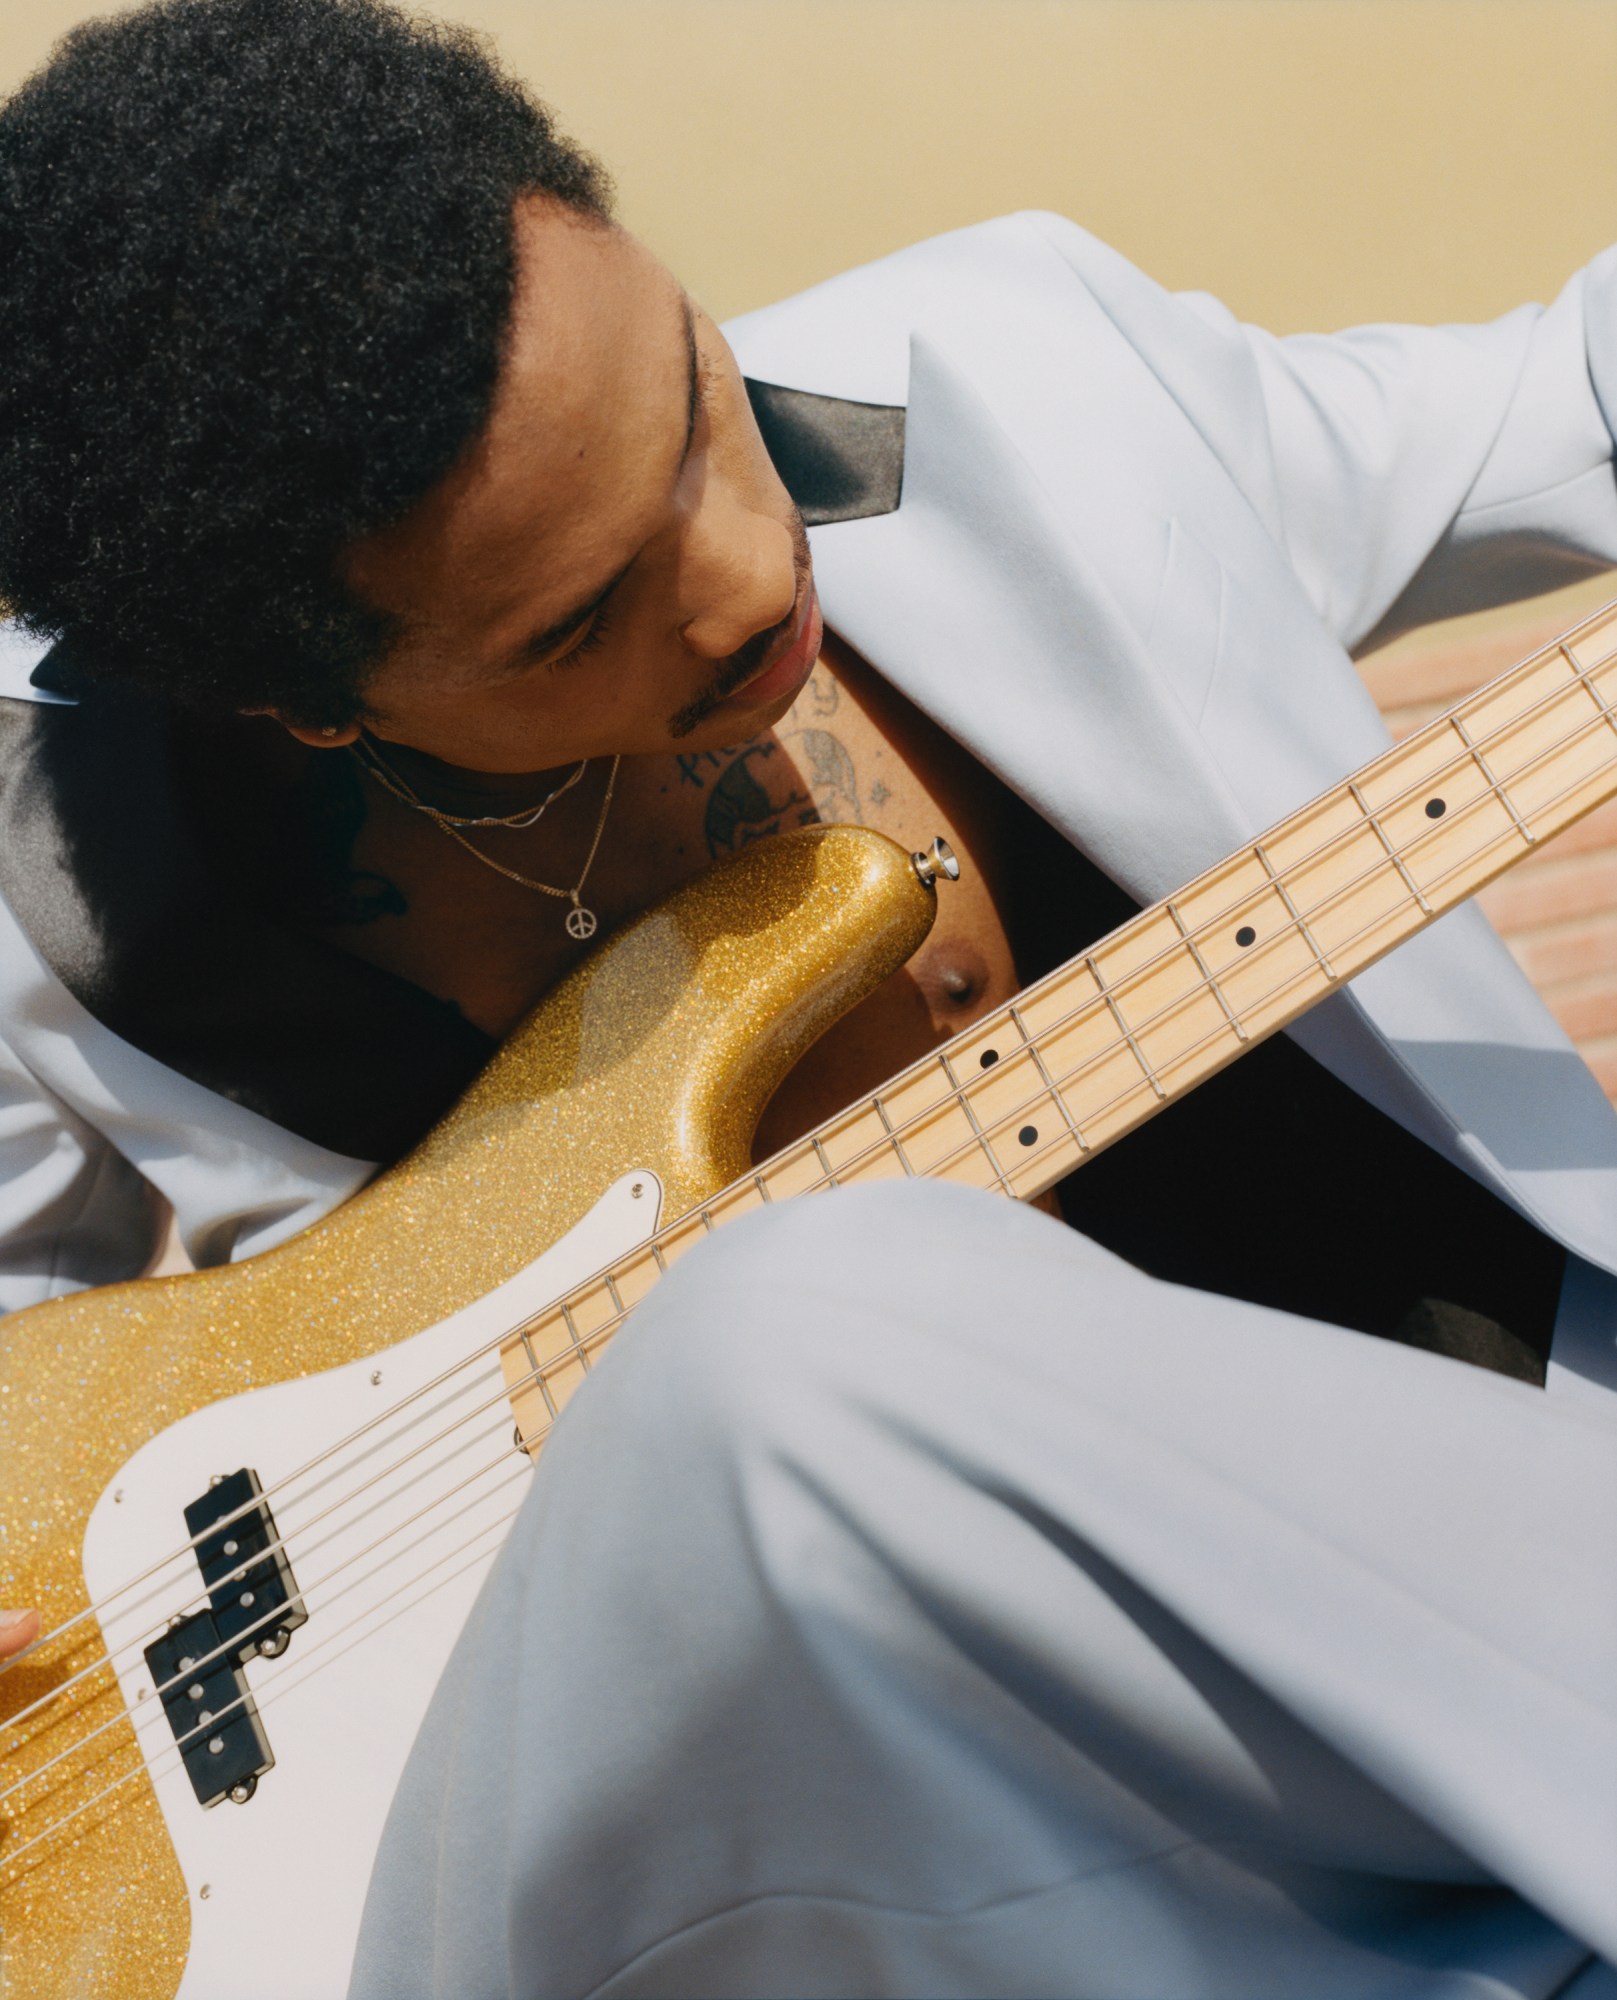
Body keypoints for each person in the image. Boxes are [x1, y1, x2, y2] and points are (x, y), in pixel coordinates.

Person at [0, 0, 1614, 1992]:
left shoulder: (1016, 375)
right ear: (296, 703)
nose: (750, 570)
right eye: (575, 620)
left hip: (1507, 1580)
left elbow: (1575, 395)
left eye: (693, 404)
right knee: (773, 1340)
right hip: (805, 1851)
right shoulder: (62, 945)